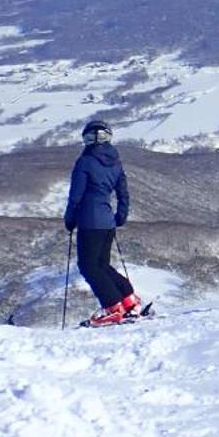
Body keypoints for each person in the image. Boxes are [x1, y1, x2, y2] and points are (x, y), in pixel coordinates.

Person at [65, 119, 138, 325]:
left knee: (88, 266)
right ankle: (129, 301)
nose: (94, 140)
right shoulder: (116, 162)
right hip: (107, 222)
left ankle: (113, 307)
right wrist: (120, 216)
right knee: (102, 265)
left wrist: (70, 220)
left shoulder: (85, 162)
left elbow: (76, 196)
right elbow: (123, 193)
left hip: (89, 221)